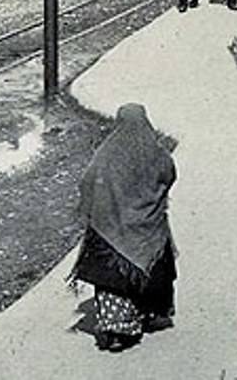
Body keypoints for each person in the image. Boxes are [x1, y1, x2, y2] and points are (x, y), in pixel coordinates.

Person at [70, 103, 177, 353]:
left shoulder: (107, 153)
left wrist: (97, 205)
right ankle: (145, 315)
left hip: (111, 229)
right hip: (148, 228)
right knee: (150, 271)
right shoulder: (157, 154)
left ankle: (116, 325)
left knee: (112, 279)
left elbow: (87, 182)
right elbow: (169, 175)